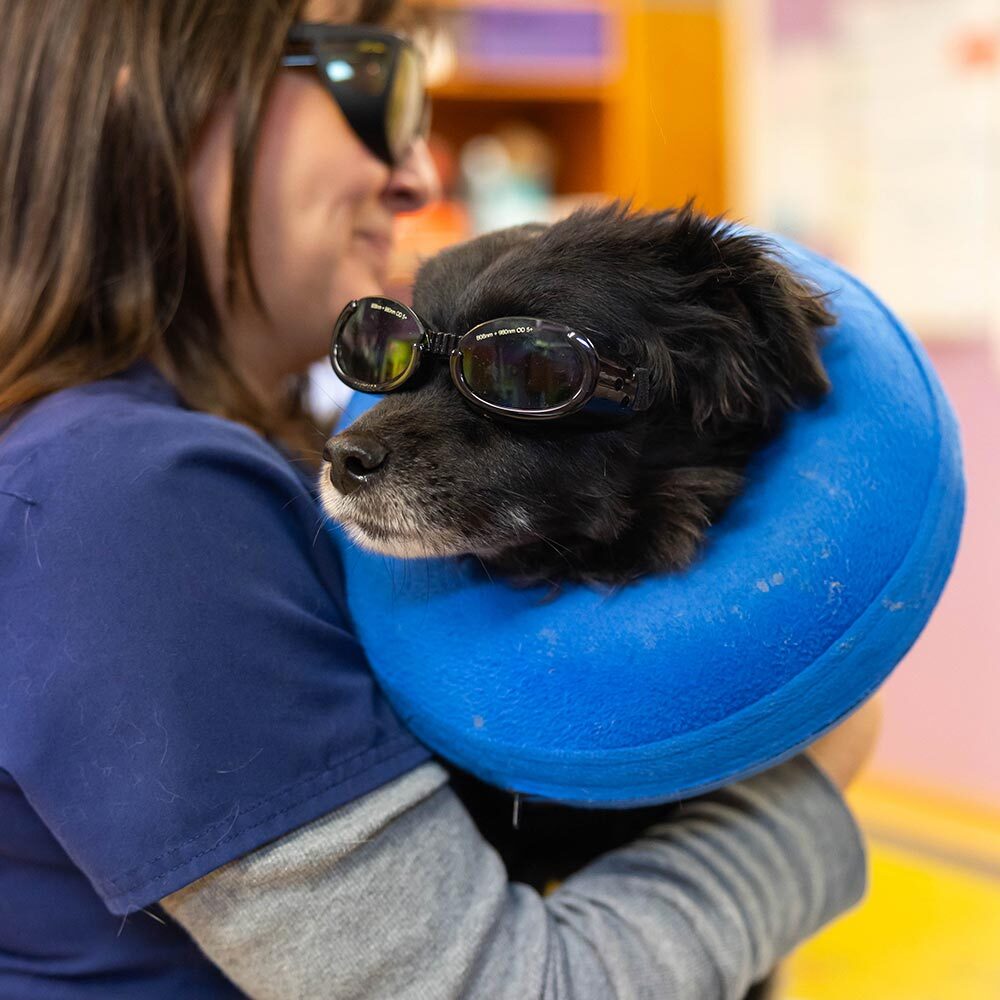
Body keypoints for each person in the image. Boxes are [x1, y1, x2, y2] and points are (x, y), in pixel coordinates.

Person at [0, 0, 880, 996]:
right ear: (147, 97)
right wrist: (803, 791)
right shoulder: (123, 502)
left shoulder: (207, 461)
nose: (420, 176)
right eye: (376, 86)